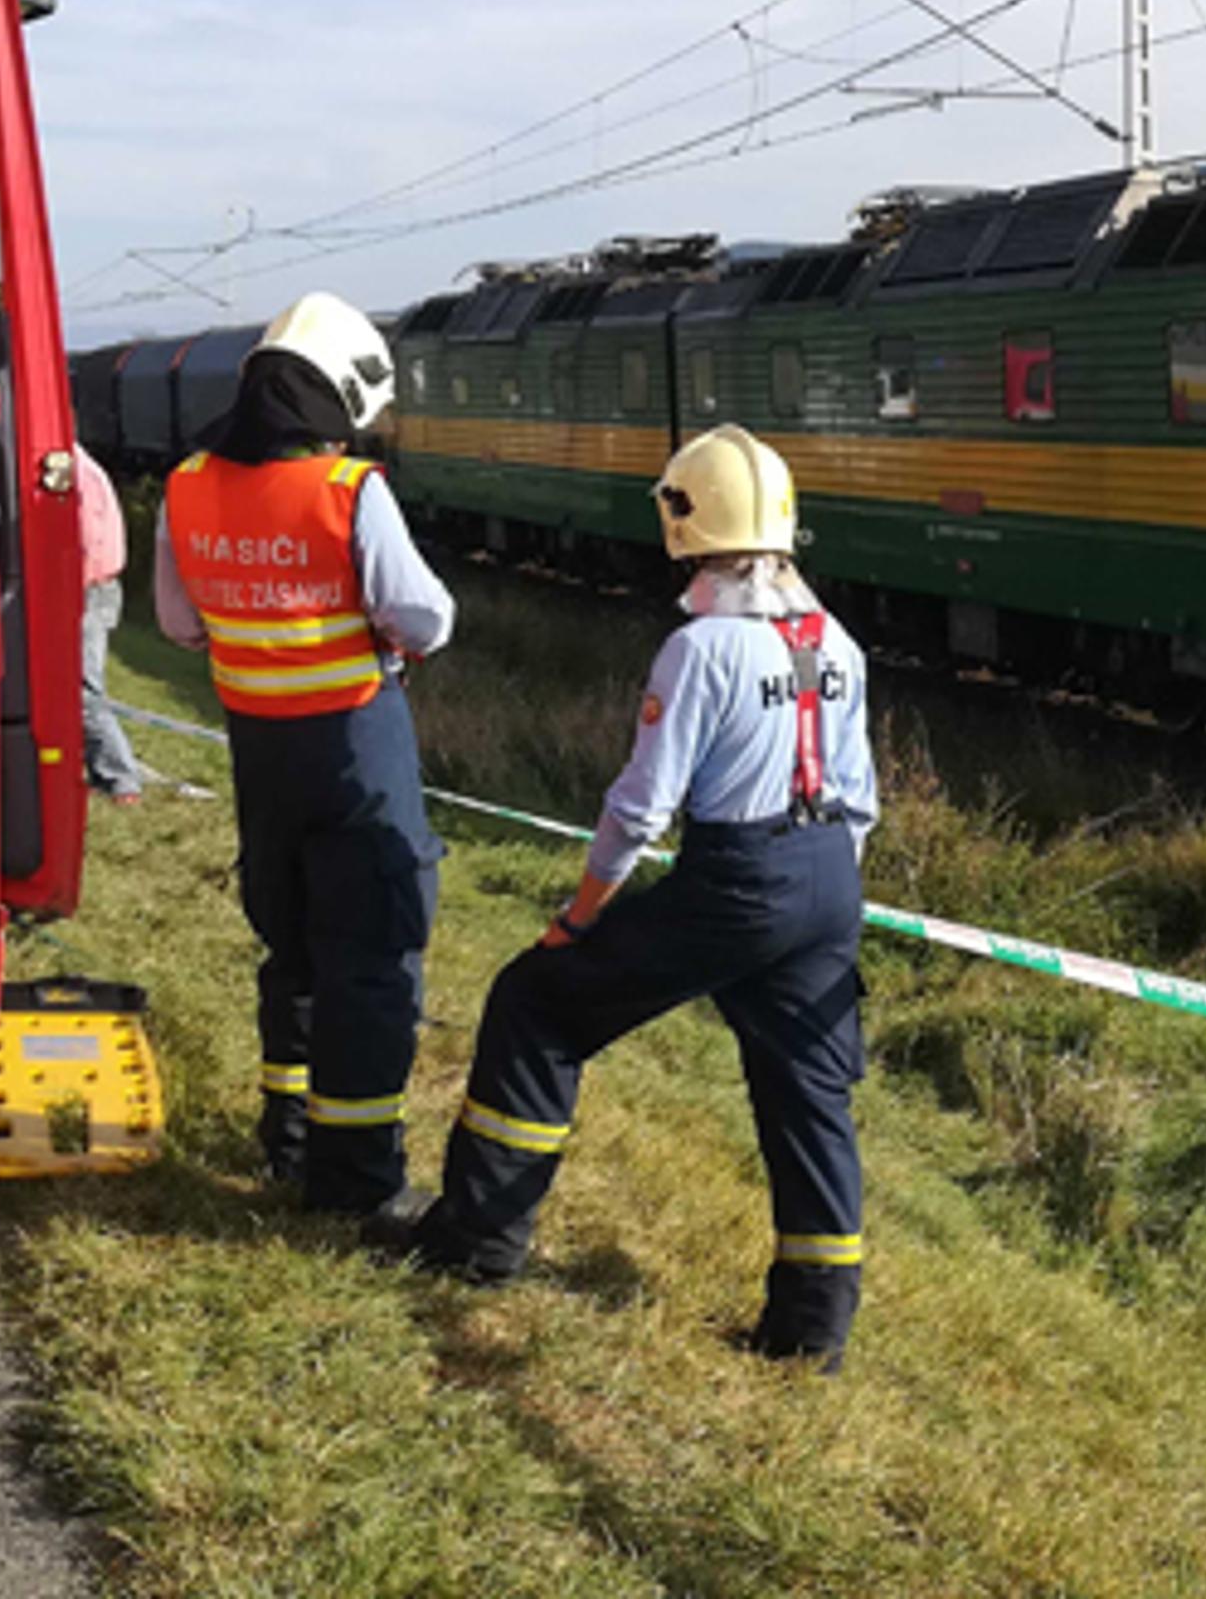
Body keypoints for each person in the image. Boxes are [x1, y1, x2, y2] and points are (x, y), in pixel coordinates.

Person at [399, 425, 881, 1371]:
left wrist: (579, 918)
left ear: (683, 521)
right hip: (832, 878)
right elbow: (859, 796)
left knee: (536, 1003)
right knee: (808, 1093)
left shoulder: (698, 649)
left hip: (738, 878)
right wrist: (814, 890)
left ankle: (478, 1243)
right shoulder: (839, 643)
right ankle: (810, 1332)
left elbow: (640, 809)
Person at [154, 292, 454, 1223]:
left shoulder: (186, 485)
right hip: (356, 747)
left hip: (259, 752)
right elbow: (426, 619)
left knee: (292, 942)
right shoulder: (348, 489)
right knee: (370, 951)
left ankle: (287, 1142)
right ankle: (357, 1180)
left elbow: (176, 625)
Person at [73, 443, 146, 803]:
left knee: (83, 689)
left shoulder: (73, 473)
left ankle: (120, 778)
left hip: (86, 589)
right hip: (95, 586)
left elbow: (86, 540)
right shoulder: (85, 465)